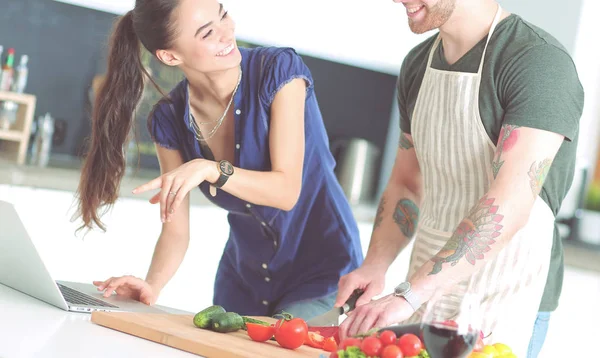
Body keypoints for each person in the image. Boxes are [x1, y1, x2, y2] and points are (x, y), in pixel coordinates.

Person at [74, 0, 363, 321]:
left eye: (223, 14)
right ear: (170, 56)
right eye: (208, 32)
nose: (227, 32)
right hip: (243, 281)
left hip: (323, 272)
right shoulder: (168, 118)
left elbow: (285, 191)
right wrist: (151, 286)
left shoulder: (278, 70)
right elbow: (175, 230)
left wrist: (210, 169)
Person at [334, 0, 583, 357]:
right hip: (421, 295)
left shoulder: (538, 63)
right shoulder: (418, 64)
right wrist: (376, 264)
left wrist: (409, 293)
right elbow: (407, 181)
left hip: (506, 295)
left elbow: (508, 205)